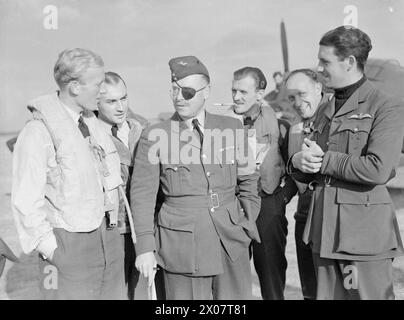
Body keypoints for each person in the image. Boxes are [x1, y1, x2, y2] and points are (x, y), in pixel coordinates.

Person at [130, 56, 261, 300]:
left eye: (187, 92)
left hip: (230, 242)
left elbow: (249, 180)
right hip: (181, 246)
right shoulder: (155, 135)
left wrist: (248, 222)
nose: (179, 98)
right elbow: (142, 197)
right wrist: (145, 248)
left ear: (207, 91)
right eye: (174, 90)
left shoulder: (231, 128)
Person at [289, 26, 404, 299]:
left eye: (325, 61)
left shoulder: (384, 106)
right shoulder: (324, 109)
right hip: (323, 234)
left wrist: (324, 161)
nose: (318, 67)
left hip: (361, 238)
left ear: (349, 62)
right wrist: (298, 162)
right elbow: (309, 167)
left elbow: (378, 168)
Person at [11, 48, 125, 300]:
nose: (102, 91)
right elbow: (26, 201)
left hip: (108, 241)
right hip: (69, 247)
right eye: (97, 84)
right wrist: (54, 251)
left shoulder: (94, 125)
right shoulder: (37, 133)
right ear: (74, 87)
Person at [228, 67, 297, 300]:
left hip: (267, 207)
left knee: (271, 275)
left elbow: (295, 168)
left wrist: (281, 199)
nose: (237, 97)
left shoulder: (281, 126)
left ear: (259, 94)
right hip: (233, 209)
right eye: (233, 91)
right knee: (232, 277)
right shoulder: (220, 127)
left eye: (243, 92)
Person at [97, 71, 149, 299]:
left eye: (124, 98)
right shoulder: (88, 136)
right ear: (96, 102)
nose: (120, 107)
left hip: (143, 228)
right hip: (109, 232)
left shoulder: (143, 130)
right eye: (111, 101)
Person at [285, 68, 332, 299]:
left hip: (333, 212)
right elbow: (295, 175)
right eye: (291, 97)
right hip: (305, 213)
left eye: (301, 94)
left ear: (318, 88)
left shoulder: (339, 117)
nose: (297, 102)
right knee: (310, 289)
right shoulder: (294, 128)